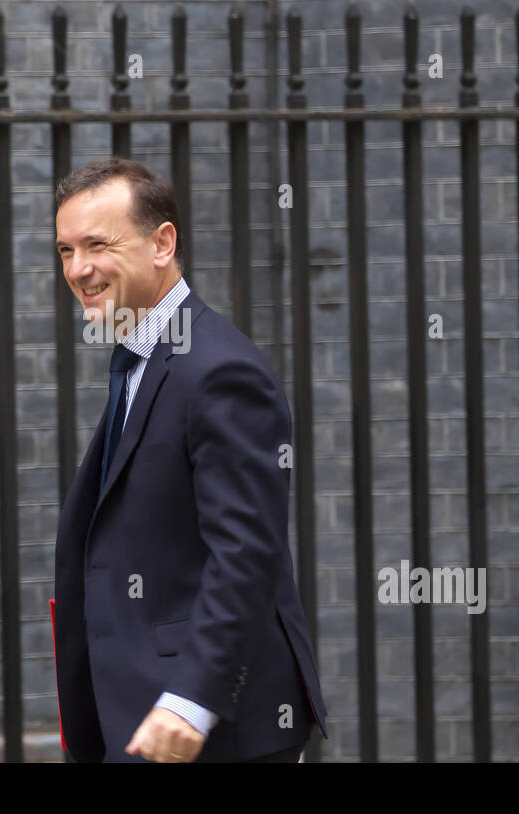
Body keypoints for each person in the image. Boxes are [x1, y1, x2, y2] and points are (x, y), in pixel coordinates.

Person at [51, 157, 328, 763]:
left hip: (212, 733)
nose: (79, 269)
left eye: (97, 245)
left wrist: (190, 700)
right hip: (140, 718)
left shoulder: (218, 369)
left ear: (163, 243)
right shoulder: (140, 358)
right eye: (66, 250)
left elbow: (248, 551)